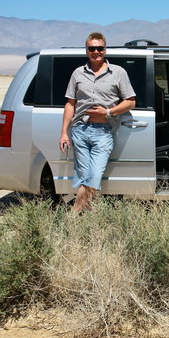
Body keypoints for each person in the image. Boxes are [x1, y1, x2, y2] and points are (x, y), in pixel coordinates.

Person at [59, 32, 136, 212]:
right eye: (92, 48)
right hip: (79, 130)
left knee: (93, 175)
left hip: (103, 131)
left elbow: (131, 101)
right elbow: (70, 103)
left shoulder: (118, 72)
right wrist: (64, 132)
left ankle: (73, 215)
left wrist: (108, 112)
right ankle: (89, 212)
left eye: (99, 48)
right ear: (86, 50)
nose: (96, 51)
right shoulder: (77, 73)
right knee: (85, 175)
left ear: (105, 50)